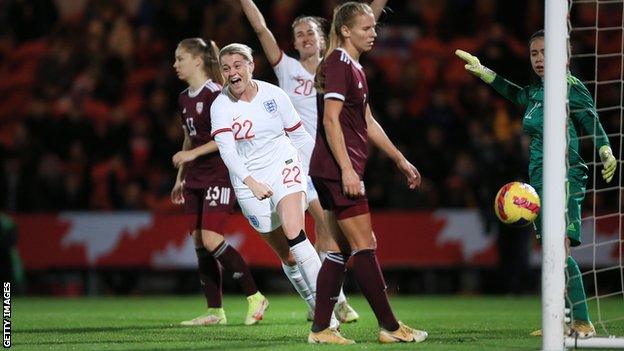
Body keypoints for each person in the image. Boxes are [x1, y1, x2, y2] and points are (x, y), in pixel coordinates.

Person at [455, 29, 618, 339]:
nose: (540, 59)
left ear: (563, 54)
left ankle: (582, 321)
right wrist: (485, 72)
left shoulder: (570, 86)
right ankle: (560, 317)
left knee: (561, 246)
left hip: (566, 173)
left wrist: (605, 149)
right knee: (551, 250)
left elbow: (591, 119)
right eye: (534, 54)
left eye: (545, 52)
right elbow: (514, 92)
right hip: (540, 178)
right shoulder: (535, 91)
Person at [238, 0, 393, 324]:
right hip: (294, 162)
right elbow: (261, 28)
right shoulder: (286, 68)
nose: (305, 37)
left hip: (325, 160)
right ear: (293, 43)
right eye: (298, 34)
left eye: (310, 32)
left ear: (325, 37)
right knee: (306, 238)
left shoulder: (335, 64)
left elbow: (365, 20)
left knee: (326, 235)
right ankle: (331, 303)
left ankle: (327, 303)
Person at [307, 2, 428, 344]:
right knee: (365, 245)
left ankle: (320, 330)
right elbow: (330, 120)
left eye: (374, 27)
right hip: (336, 169)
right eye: (365, 28)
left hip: (333, 168)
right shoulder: (338, 64)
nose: (373, 33)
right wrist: (346, 169)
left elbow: (367, 122)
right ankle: (390, 327)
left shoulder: (354, 68)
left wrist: (399, 159)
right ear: (345, 30)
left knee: (340, 250)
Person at [210, 43, 339, 329]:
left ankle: (327, 315)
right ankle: (313, 302)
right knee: (288, 254)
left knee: (296, 232)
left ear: (251, 65)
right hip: (248, 184)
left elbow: (301, 137)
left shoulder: (274, 95)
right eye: (226, 68)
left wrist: (322, 170)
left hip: (283, 167)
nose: (232, 73)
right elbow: (227, 152)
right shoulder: (220, 106)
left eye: (238, 65)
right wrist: (251, 182)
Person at [170, 38, 268, 326]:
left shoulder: (217, 95)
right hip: (196, 177)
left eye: (180, 58)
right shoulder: (184, 98)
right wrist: (181, 177)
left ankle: (255, 296)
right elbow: (189, 135)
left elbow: (225, 139)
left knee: (212, 238)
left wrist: (190, 154)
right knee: (199, 242)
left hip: (219, 174)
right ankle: (215, 311)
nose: (175, 64)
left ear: (197, 60)